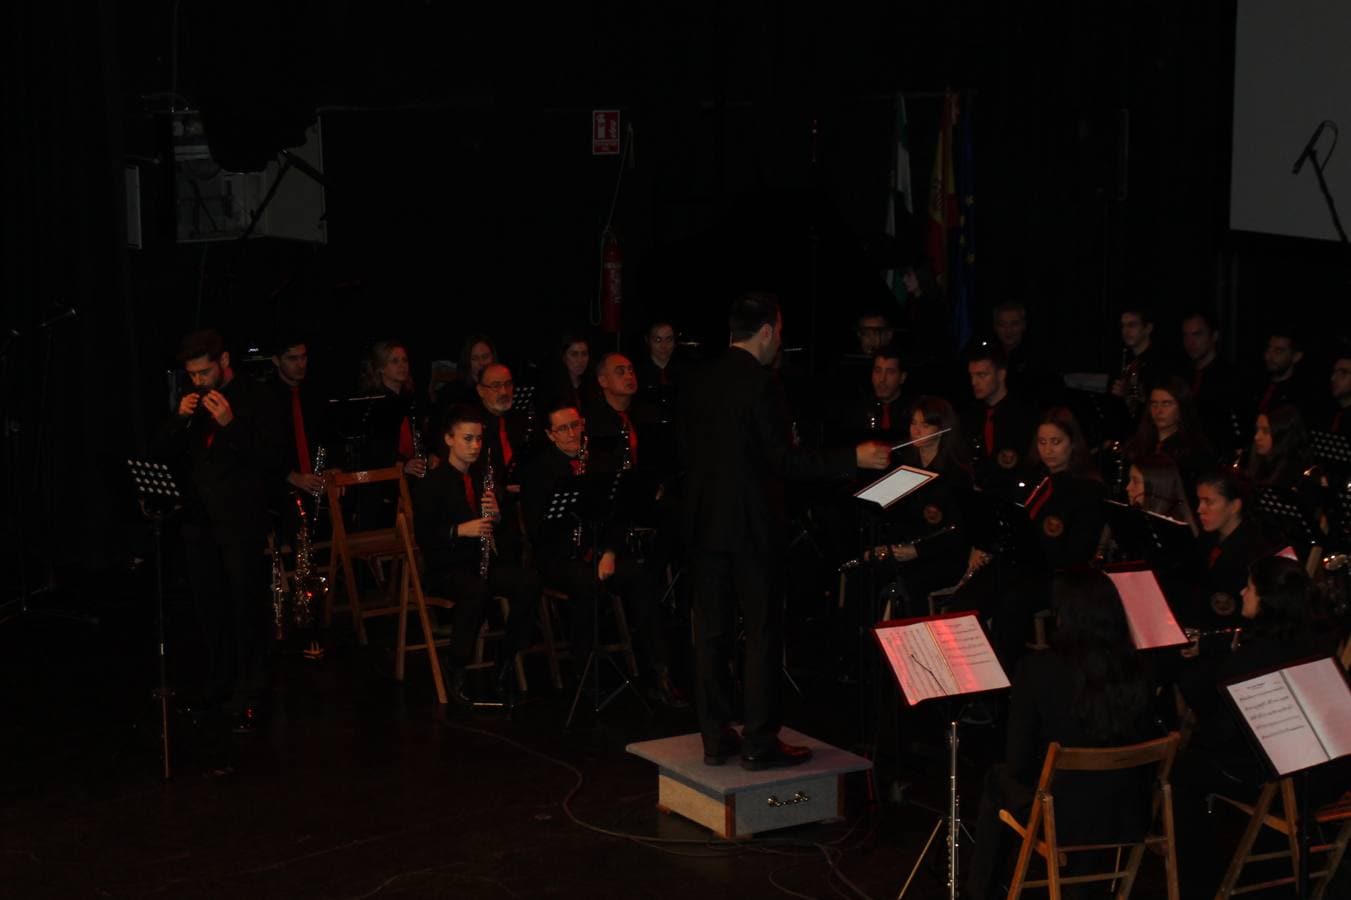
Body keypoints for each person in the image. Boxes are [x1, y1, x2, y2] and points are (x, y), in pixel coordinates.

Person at [681, 291, 891, 769]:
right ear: (769, 331)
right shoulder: (762, 384)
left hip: (704, 524)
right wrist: (851, 458)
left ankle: (715, 737)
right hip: (752, 526)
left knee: (710, 632)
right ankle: (759, 741)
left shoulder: (697, 379)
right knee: (761, 632)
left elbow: (687, 455)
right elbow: (782, 460)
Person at [966, 569, 1157, 899]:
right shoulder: (1139, 667)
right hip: (1129, 814)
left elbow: (1018, 761)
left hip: (1062, 817)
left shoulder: (1037, 668)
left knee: (999, 779)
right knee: (1088, 783)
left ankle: (980, 893)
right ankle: (1082, 885)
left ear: (1063, 615)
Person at [518, 403, 688, 708]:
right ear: (550, 434)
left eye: (575, 426)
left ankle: (658, 675)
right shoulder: (538, 472)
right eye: (563, 429)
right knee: (585, 583)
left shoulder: (600, 464)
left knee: (641, 576)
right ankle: (585, 678)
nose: (572, 434)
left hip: (598, 552)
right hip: (559, 558)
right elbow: (538, 531)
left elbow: (618, 516)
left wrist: (609, 552)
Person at [153, 328, 279, 734]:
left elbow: (270, 460)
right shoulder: (191, 403)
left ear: (224, 361)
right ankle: (219, 684)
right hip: (200, 521)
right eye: (192, 374)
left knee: (246, 606)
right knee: (210, 606)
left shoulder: (255, 397)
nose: (198, 381)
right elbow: (163, 454)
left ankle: (253, 691)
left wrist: (231, 424)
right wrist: (179, 418)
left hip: (240, 521)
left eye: (204, 371)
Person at [410, 405, 540, 706]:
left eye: (479, 440)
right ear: (449, 439)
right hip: (447, 568)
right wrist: (460, 530)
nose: (475, 446)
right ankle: (455, 666)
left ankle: (504, 661)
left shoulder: (483, 477)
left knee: (529, 581)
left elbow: (503, 527)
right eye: (468, 439)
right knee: (476, 590)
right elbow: (425, 537)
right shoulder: (432, 483)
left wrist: (496, 517)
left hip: (480, 563)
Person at [959, 343, 1034, 495]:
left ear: (1001, 374)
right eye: (972, 376)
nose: (974, 382)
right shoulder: (971, 414)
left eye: (982, 375)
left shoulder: (1023, 415)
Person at [1124, 376, 1215, 497]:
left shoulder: (1195, 451)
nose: (1158, 410)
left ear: (1181, 407)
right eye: (1154, 404)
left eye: (1166, 403)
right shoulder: (1138, 444)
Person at [1179, 311, 1241, 455]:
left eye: (1197, 334)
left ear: (1214, 336)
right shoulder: (1182, 375)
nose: (1190, 342)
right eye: (1186, 335)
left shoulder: (1229, 377)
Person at [1126, 455, 1198, 534]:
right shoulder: (1140, 517)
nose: (1128, 488)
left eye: (1135, 481)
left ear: (1156, 486)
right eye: (1130, 480)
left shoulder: (1173, 529)